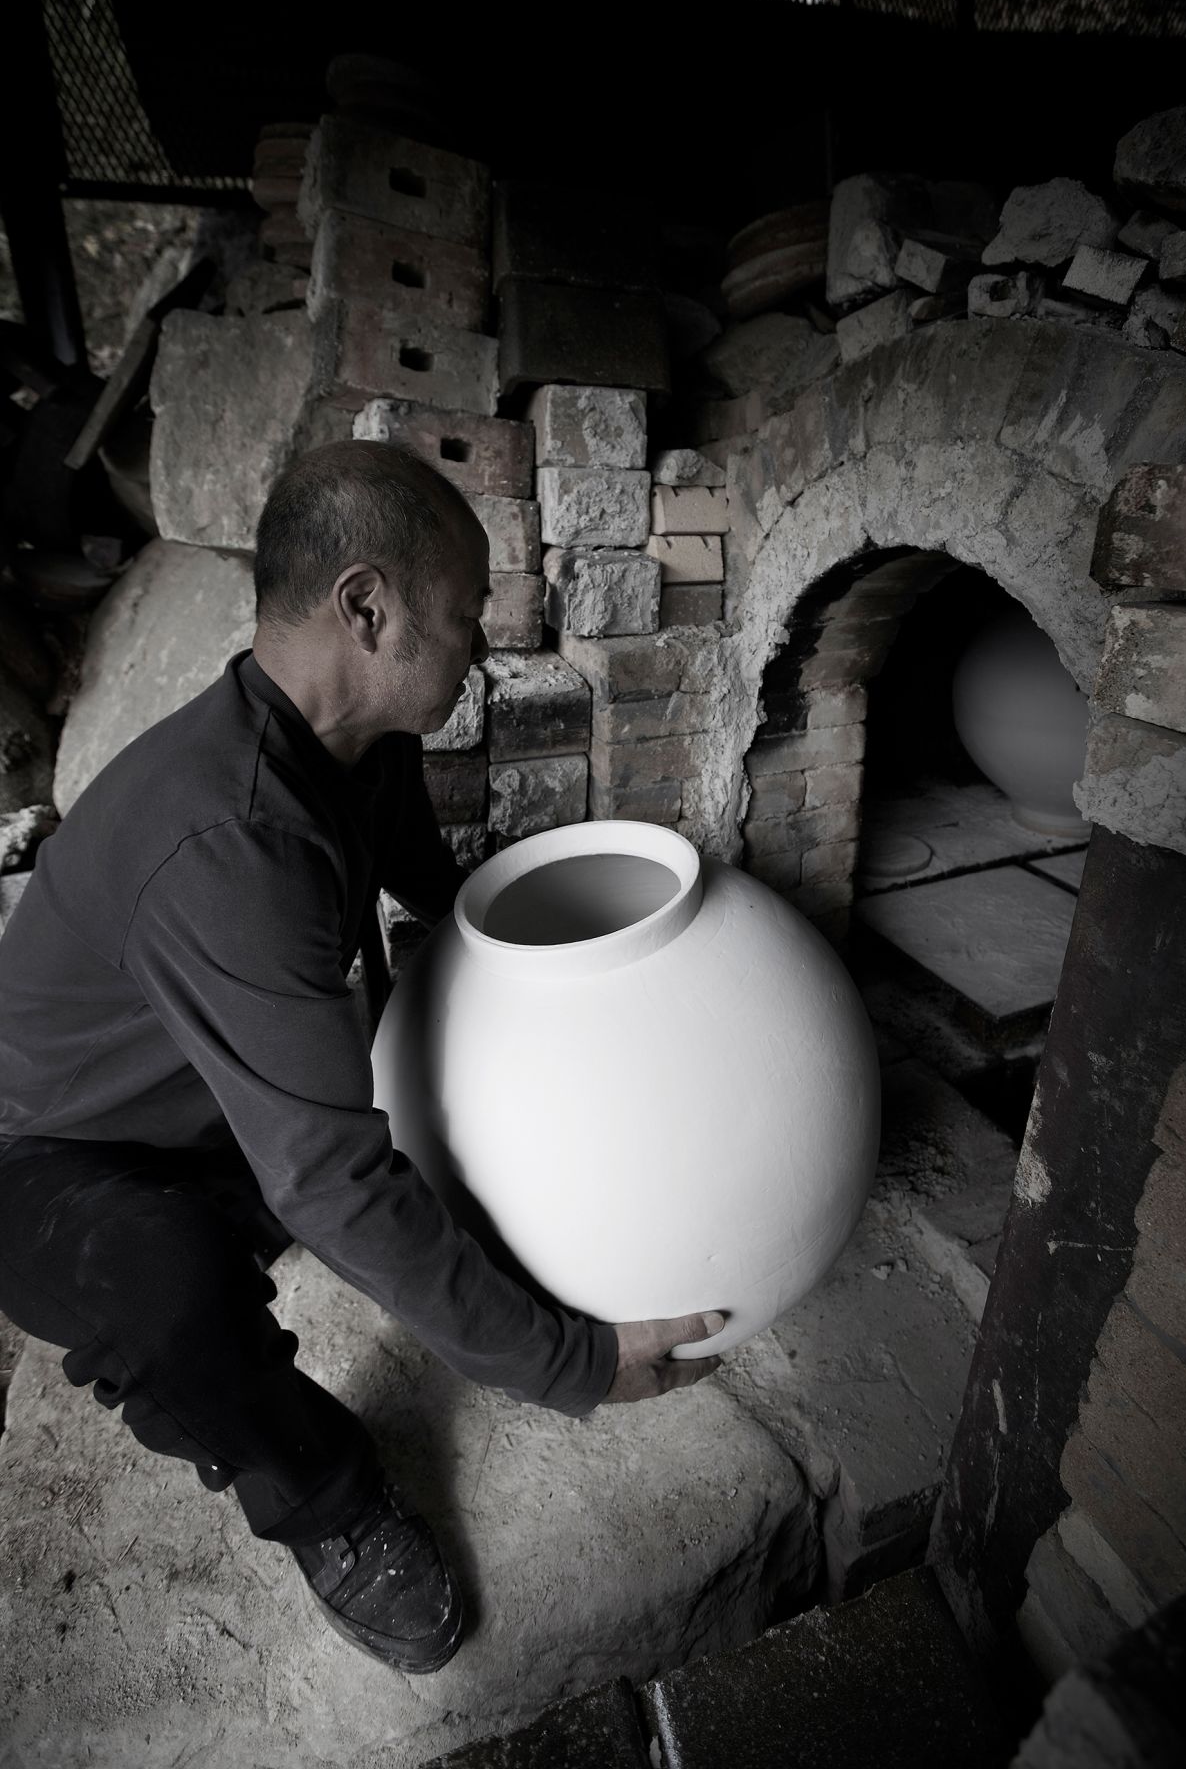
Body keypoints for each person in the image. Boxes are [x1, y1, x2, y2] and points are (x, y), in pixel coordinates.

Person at [0, 439, 722, 1676]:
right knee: (174, 1291)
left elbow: (443, 905)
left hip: (198, 1100)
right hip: (45, 1154)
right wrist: (571, 1361)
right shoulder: (229, 840)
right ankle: (325, 1507)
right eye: (465, 615)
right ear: (367, 608)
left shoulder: (358, 748)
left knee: (355, 1142)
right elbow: (331, 1182)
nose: (481, 645)